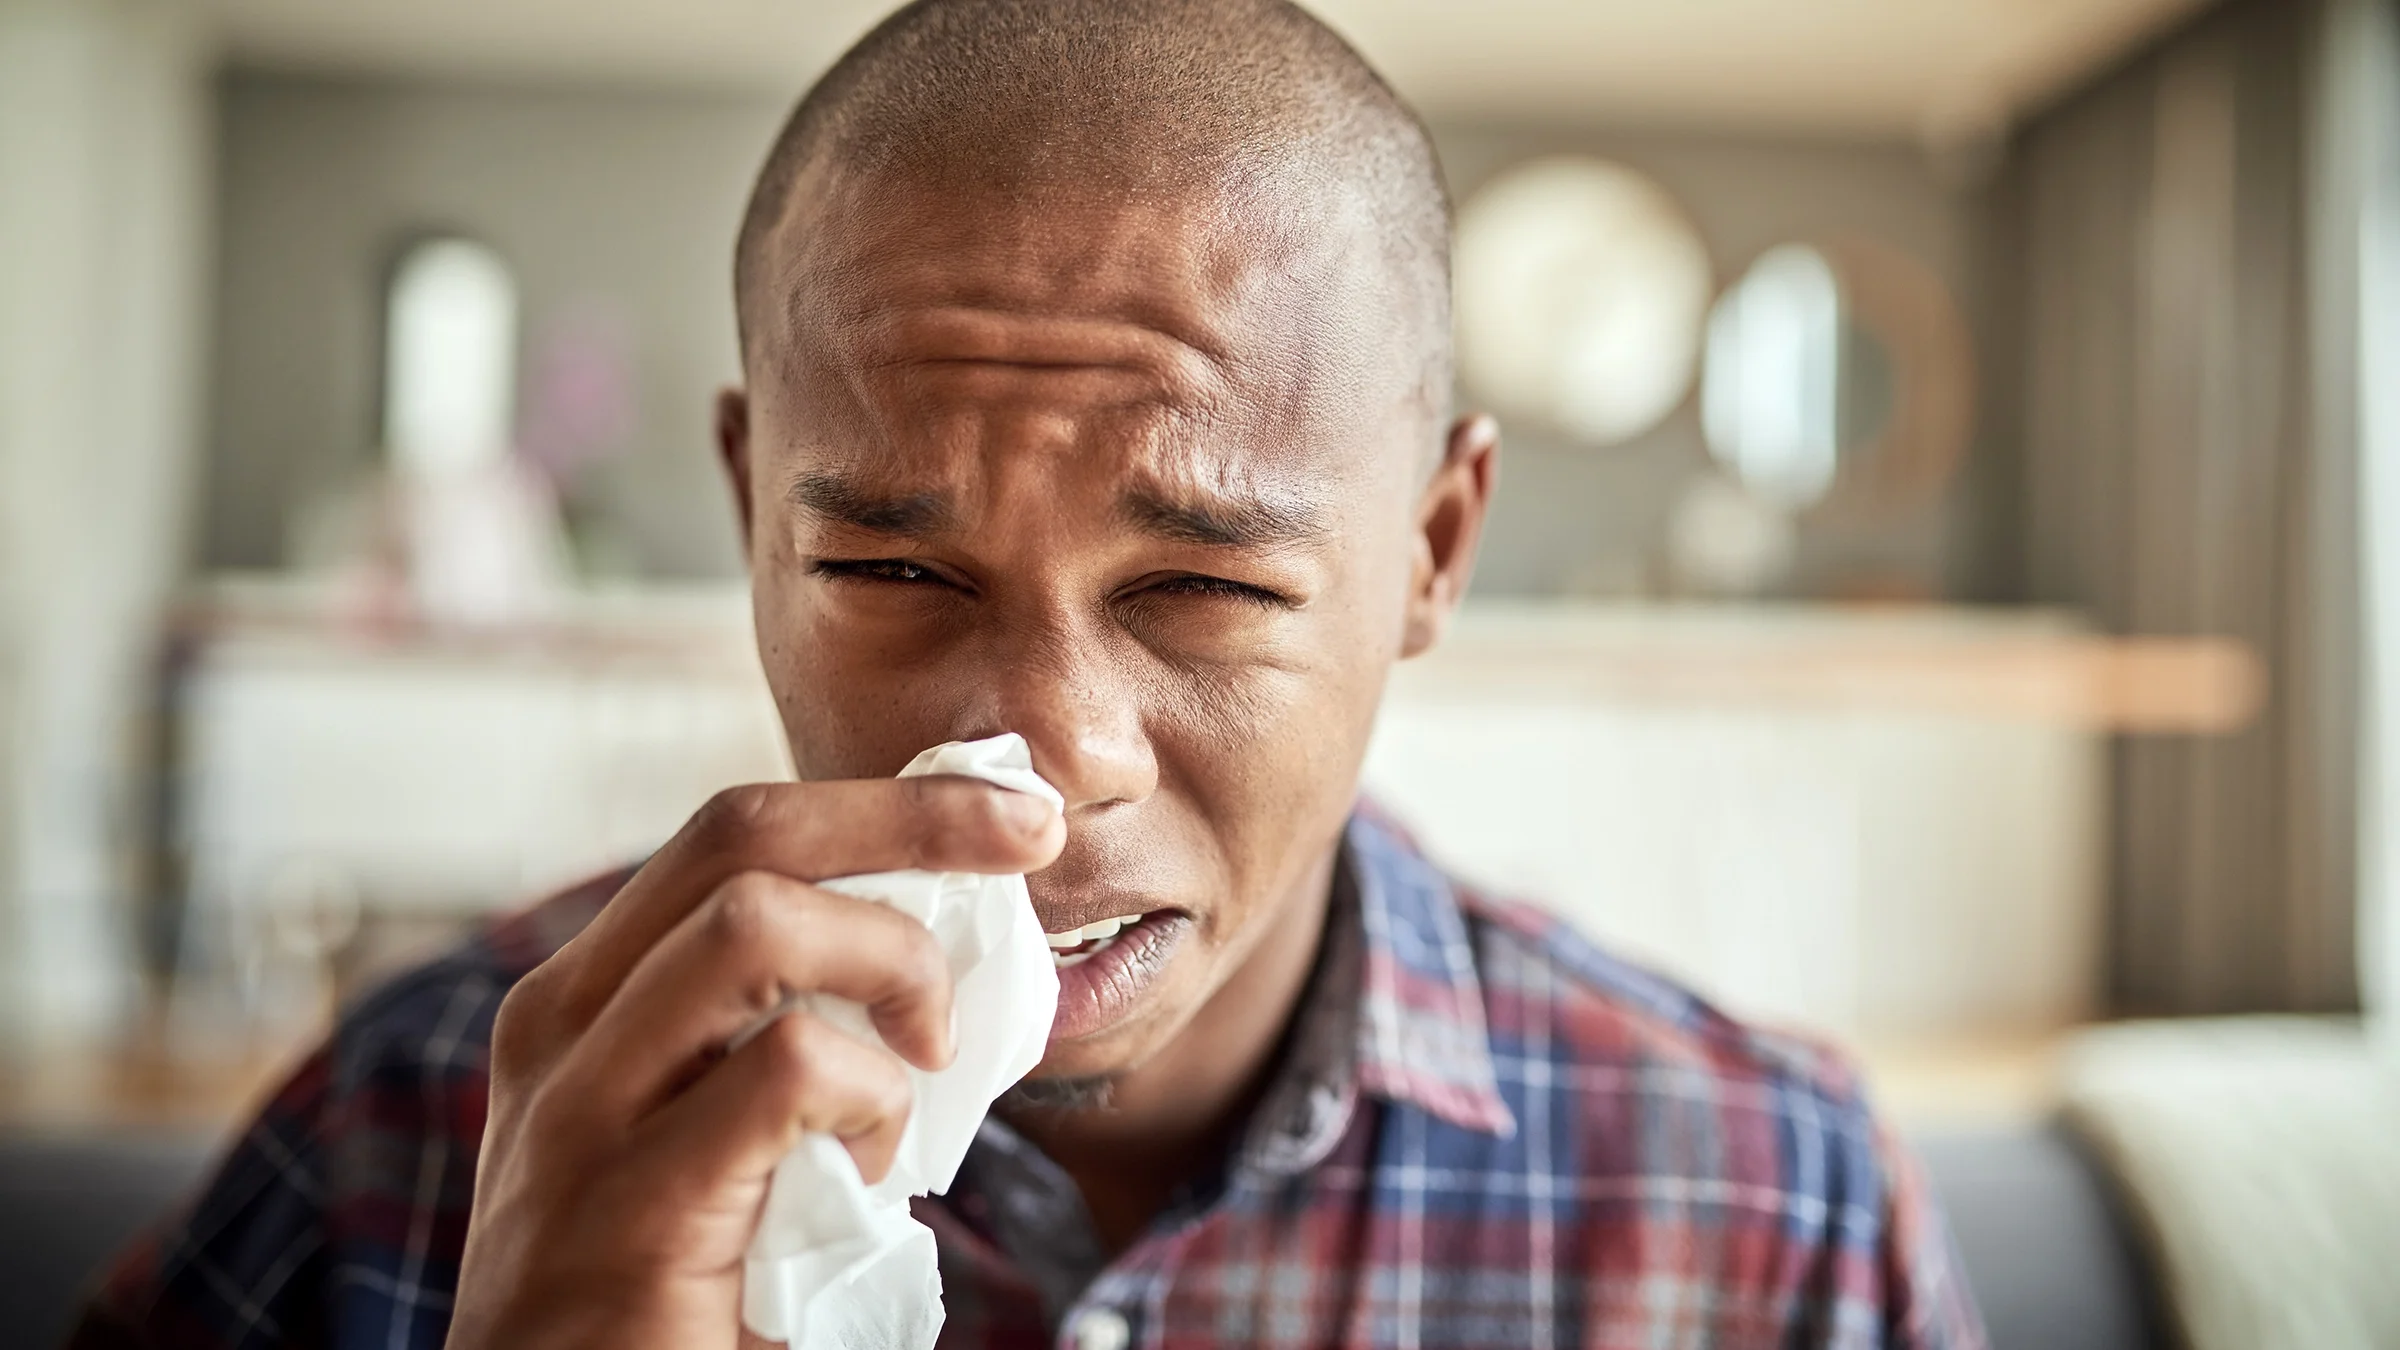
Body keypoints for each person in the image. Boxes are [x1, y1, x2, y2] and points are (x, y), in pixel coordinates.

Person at [75, 1, 1988, 1346]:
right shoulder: (414, 1130)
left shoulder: (1771, 1211)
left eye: (1206, 585)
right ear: (753, 513)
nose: (1042, 766)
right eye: (894, 565)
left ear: (1431, 549)